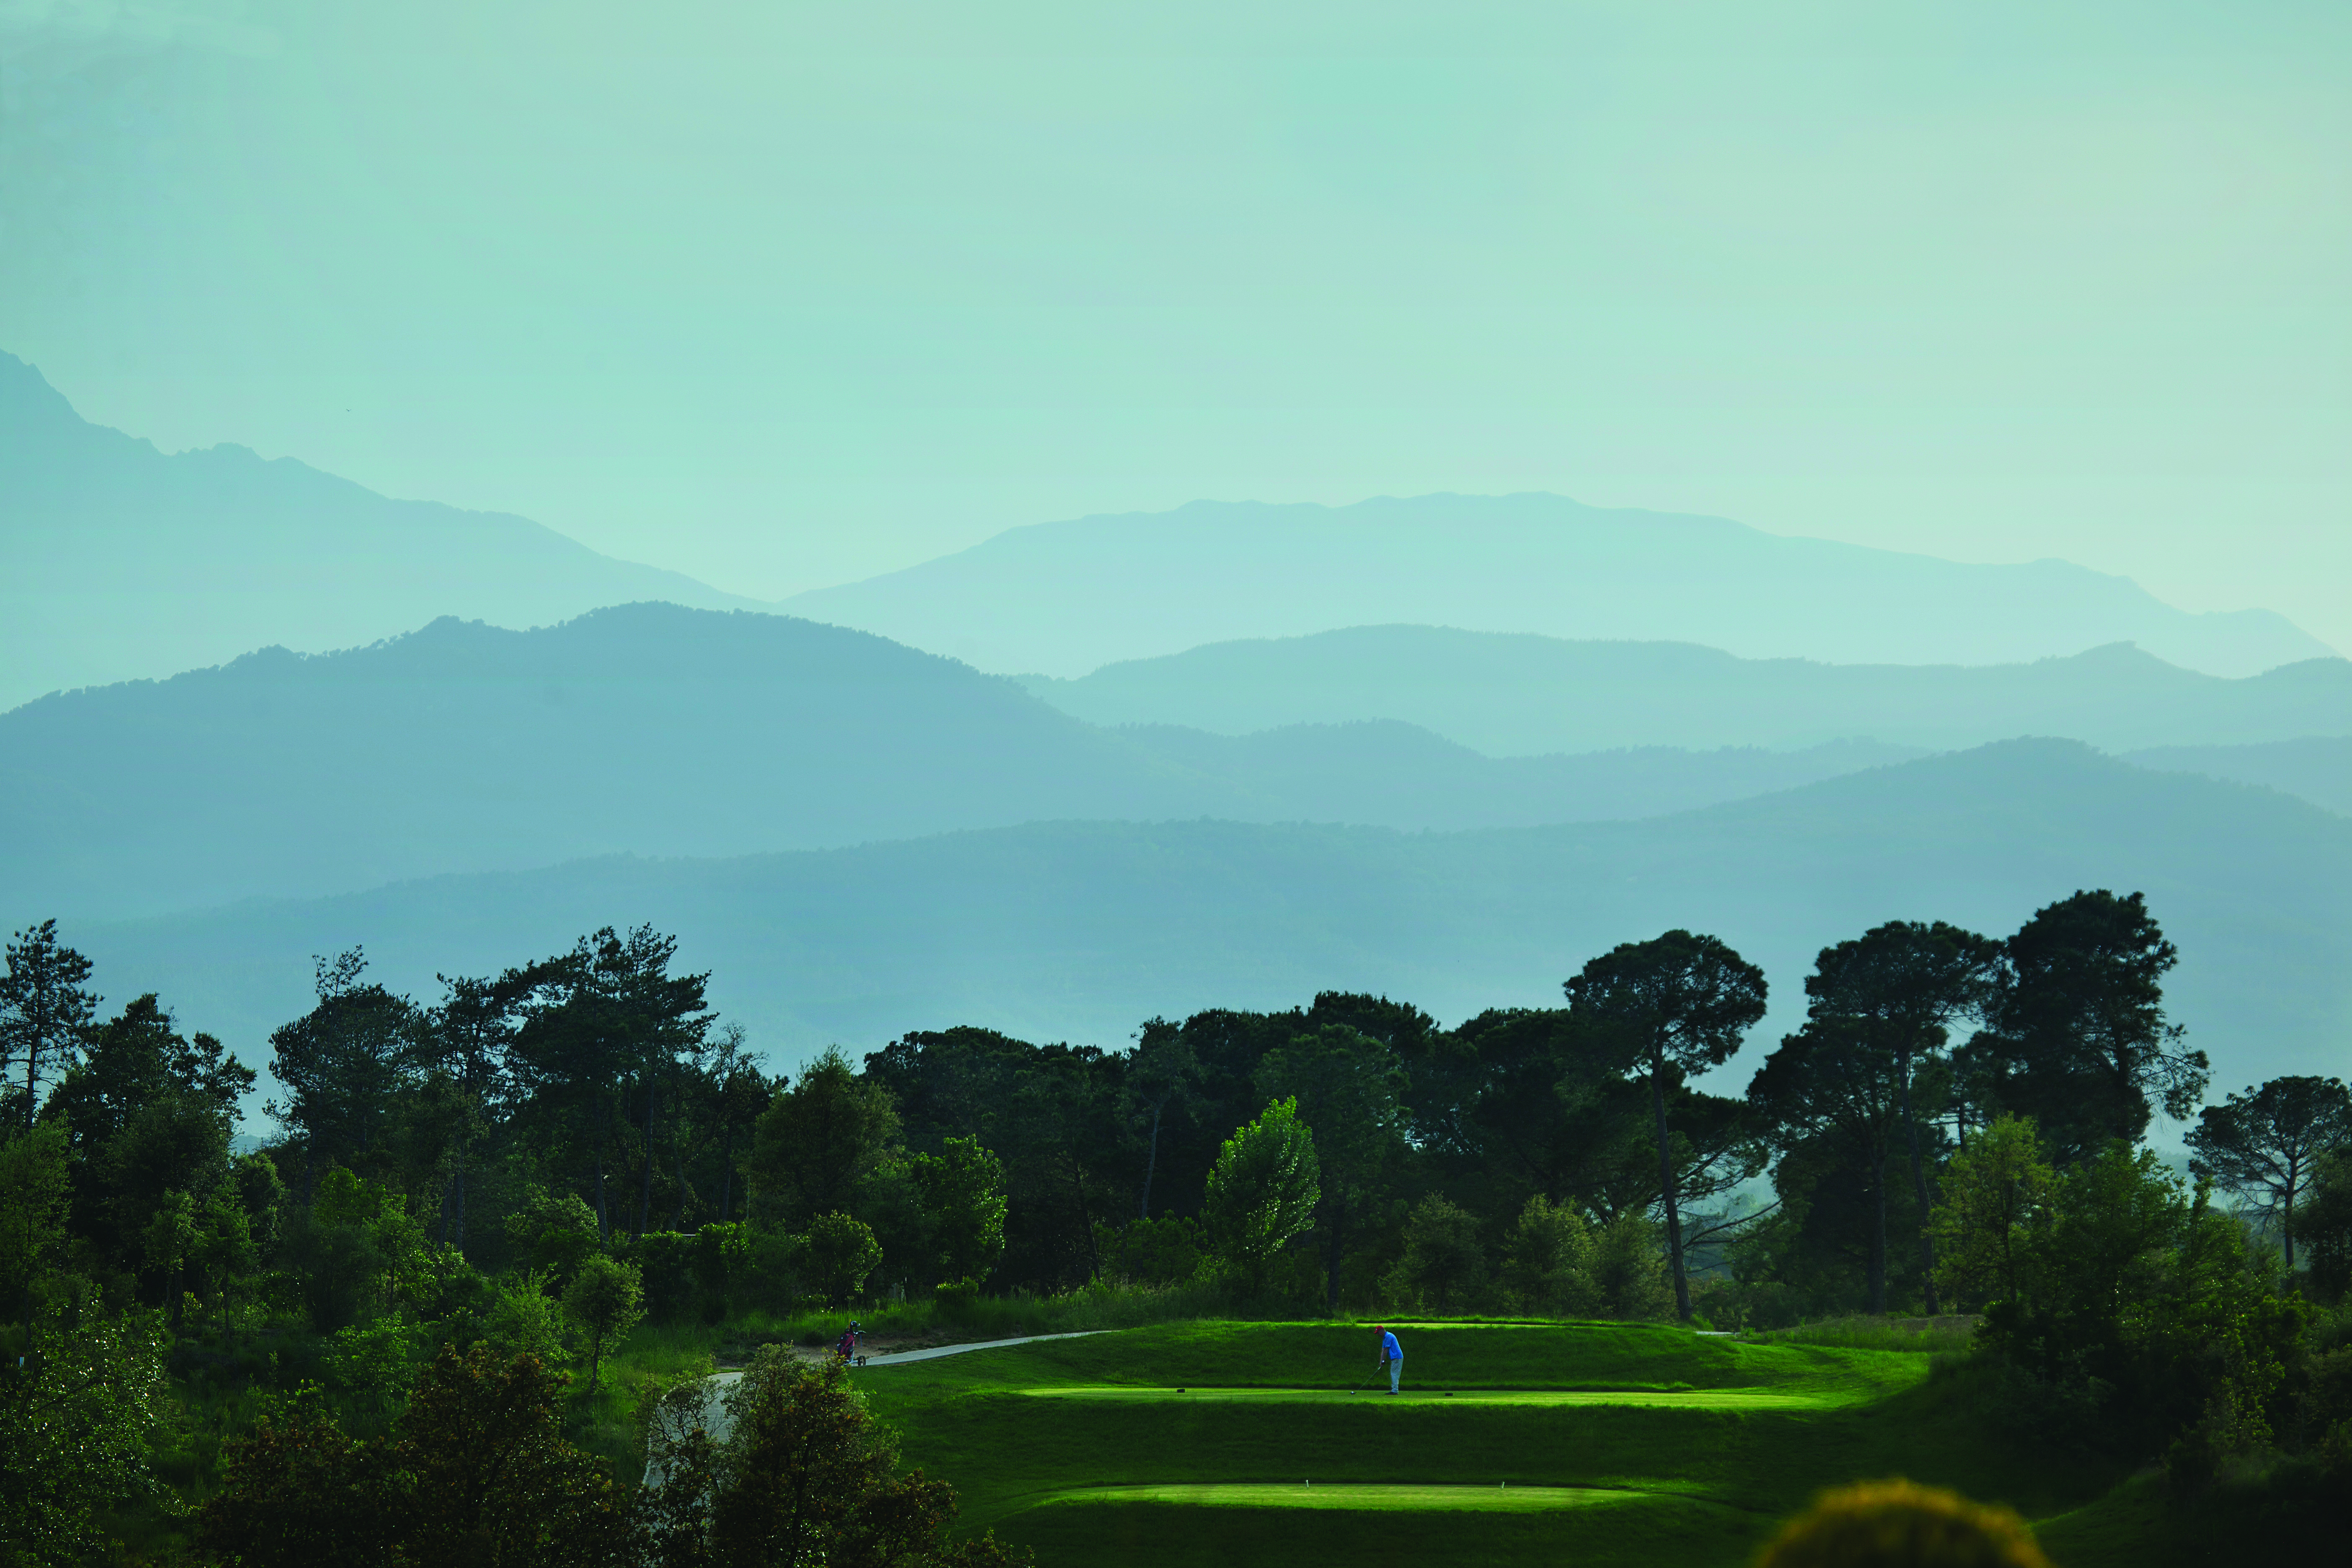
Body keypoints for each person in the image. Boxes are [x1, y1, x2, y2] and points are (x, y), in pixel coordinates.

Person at [1376, 1326, 1402, 1394]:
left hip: (1397, 1357)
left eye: (1378, 1333)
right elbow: (1383, 1350)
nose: (1378, 1335)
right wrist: (1381, 1362)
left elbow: (1386, 1350)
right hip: (1395, 1357)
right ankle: (1395, 1390)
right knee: (1393, 1373)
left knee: (1394, 1373)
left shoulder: (1388, 1336)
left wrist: (1383, 1361)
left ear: (1382, 1331)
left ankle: (1395, 1391)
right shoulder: (1385, 1338)